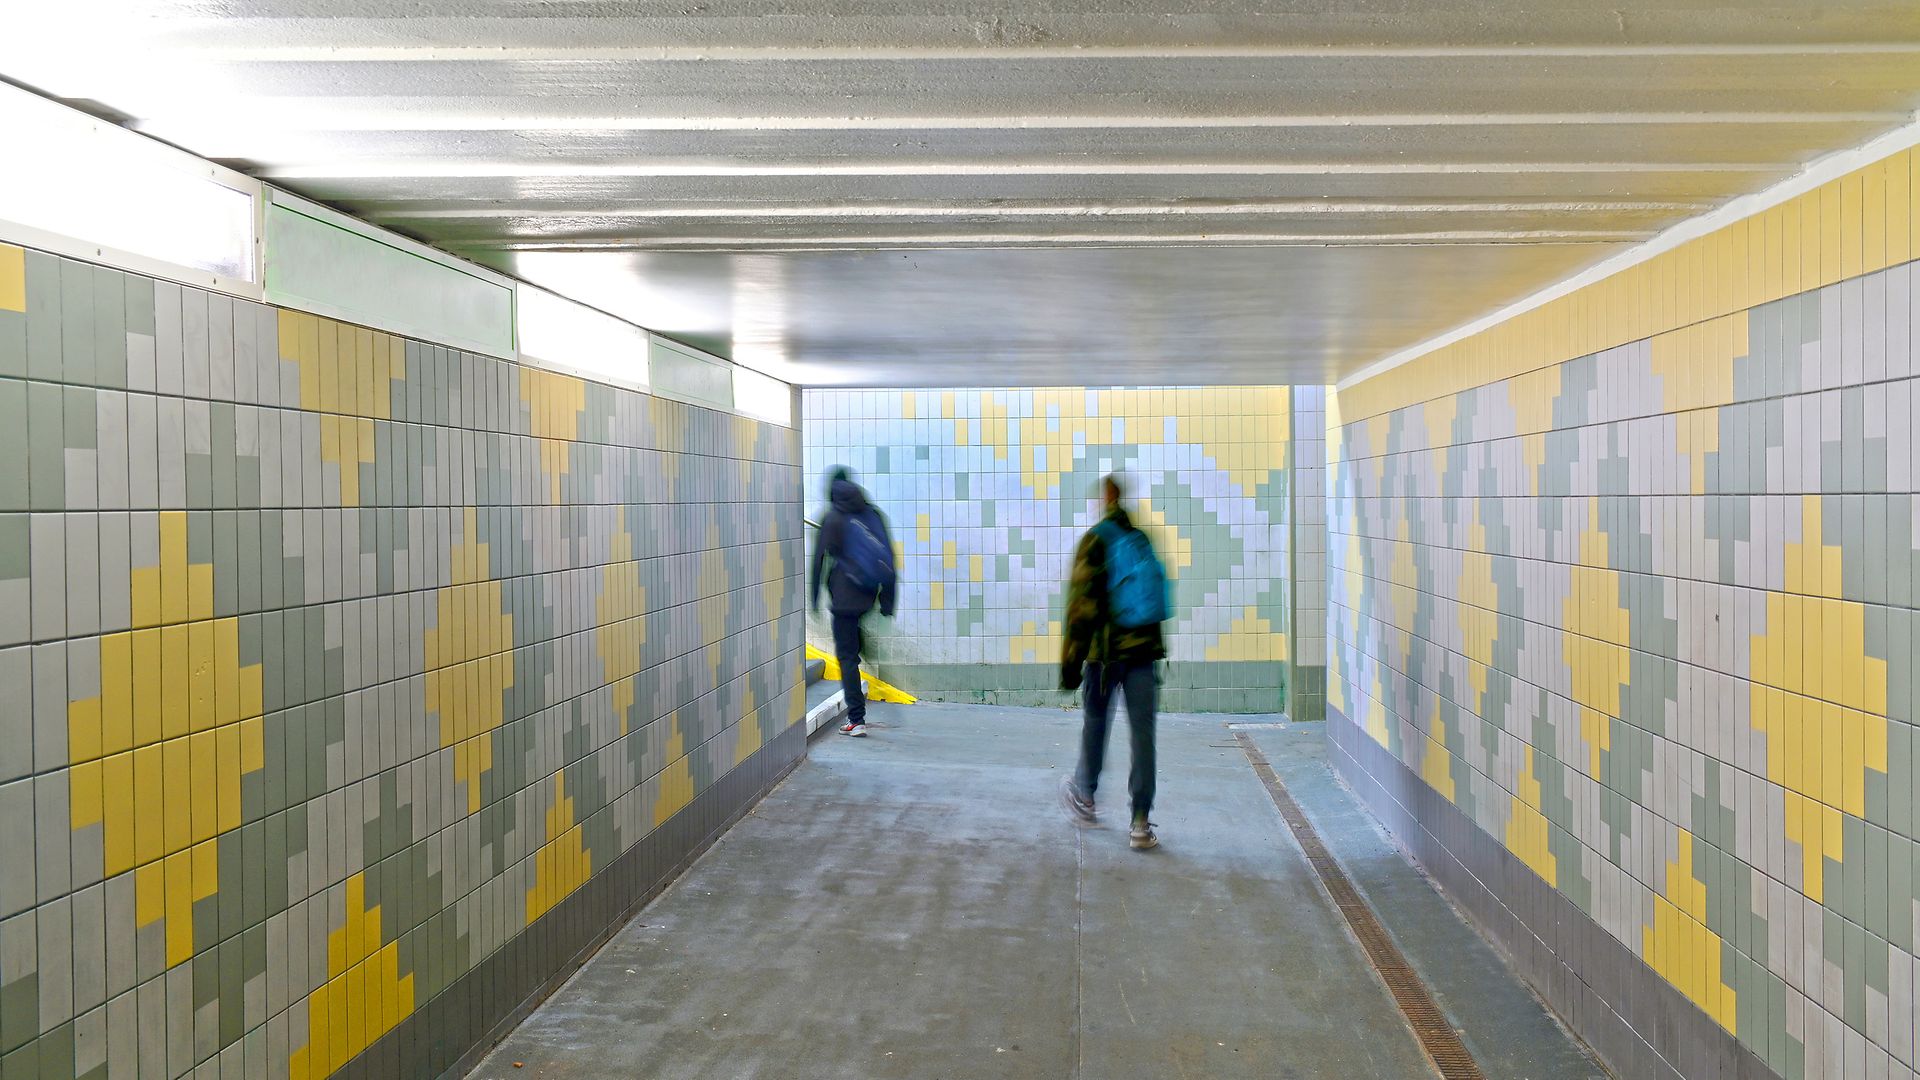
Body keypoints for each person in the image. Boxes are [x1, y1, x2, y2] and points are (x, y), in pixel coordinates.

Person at [1058, 475, 1169, 850]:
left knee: (1096, 723)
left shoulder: (1095, 541)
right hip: (1143, 654)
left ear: (1104, 499)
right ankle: (1140, 822)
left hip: (1105, 658)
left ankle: (1086, 797)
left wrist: (1070, 665)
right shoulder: (1141, 540)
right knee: (1143, 736)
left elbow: (1080, 609)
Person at [810, 466, 897, 736]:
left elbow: (819, 559)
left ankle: (856, 719)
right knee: (852, 639)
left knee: (847, 657)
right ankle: (862, 648)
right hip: (867, 595)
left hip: (844, 598)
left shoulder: (832, 517)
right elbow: (888, 556)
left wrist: (813, 596)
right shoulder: (872, 514)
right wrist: (888, 600)